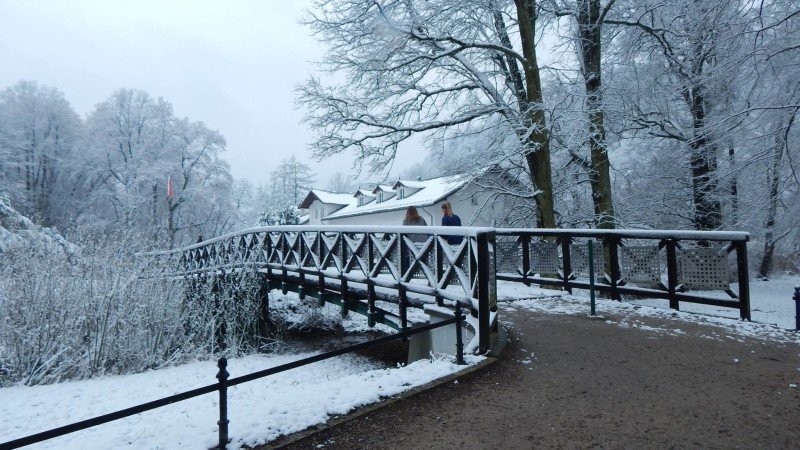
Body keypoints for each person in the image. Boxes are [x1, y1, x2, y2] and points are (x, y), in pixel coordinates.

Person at [402, 207, 427, 273]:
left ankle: (407, 275)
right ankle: (427, 274)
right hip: (424, 246)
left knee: (405, 256)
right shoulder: (421, 219)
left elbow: (403, 235)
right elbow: (427, 230)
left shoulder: (406, 222)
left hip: (412, 246)